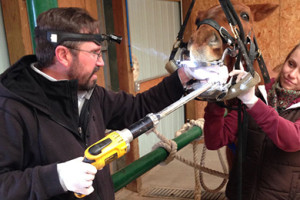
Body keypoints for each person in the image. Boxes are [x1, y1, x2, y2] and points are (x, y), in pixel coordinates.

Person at [0, 7, 227, 200]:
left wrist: (183, 76)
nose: (101, 62)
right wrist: (56, 178)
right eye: (94, 53)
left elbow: (138, 107)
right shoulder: (11, 108)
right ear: (63, 55)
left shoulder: (90, 94)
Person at [204, 42, 300, 200]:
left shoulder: (253, 100)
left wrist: (252, 102)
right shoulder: (259, 95)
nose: (292, 74)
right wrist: (216, 99)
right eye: (291, 64)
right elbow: (215, 140)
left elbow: (292, 139)